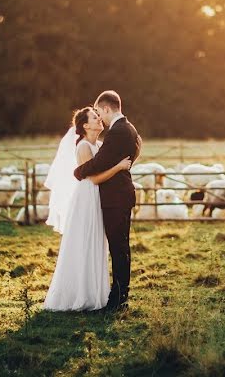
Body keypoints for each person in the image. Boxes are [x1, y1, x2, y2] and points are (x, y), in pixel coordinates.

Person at [43, 106, 132, 311]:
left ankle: (95, 295)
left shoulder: (99, 145)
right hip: (86, 199)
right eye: (94, 117)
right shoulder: (83, 147)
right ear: (85, 125)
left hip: (97, 199)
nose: (99, 119)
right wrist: (118, 167)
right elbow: (94, 179)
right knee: (84, 243)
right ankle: (78, 295)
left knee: (96, 243)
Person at [74, 90, 141, 312]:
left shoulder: (117, 131)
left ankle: (118, 298)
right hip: (119, 196)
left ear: (106, 109)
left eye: (99, 113)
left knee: (118, 248)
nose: (99, 118)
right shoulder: (129, 129)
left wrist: (78, 171)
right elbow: (136, 150)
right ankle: (119, 295)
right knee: (120, 247)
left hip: (116, 198)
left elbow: (99, 162)